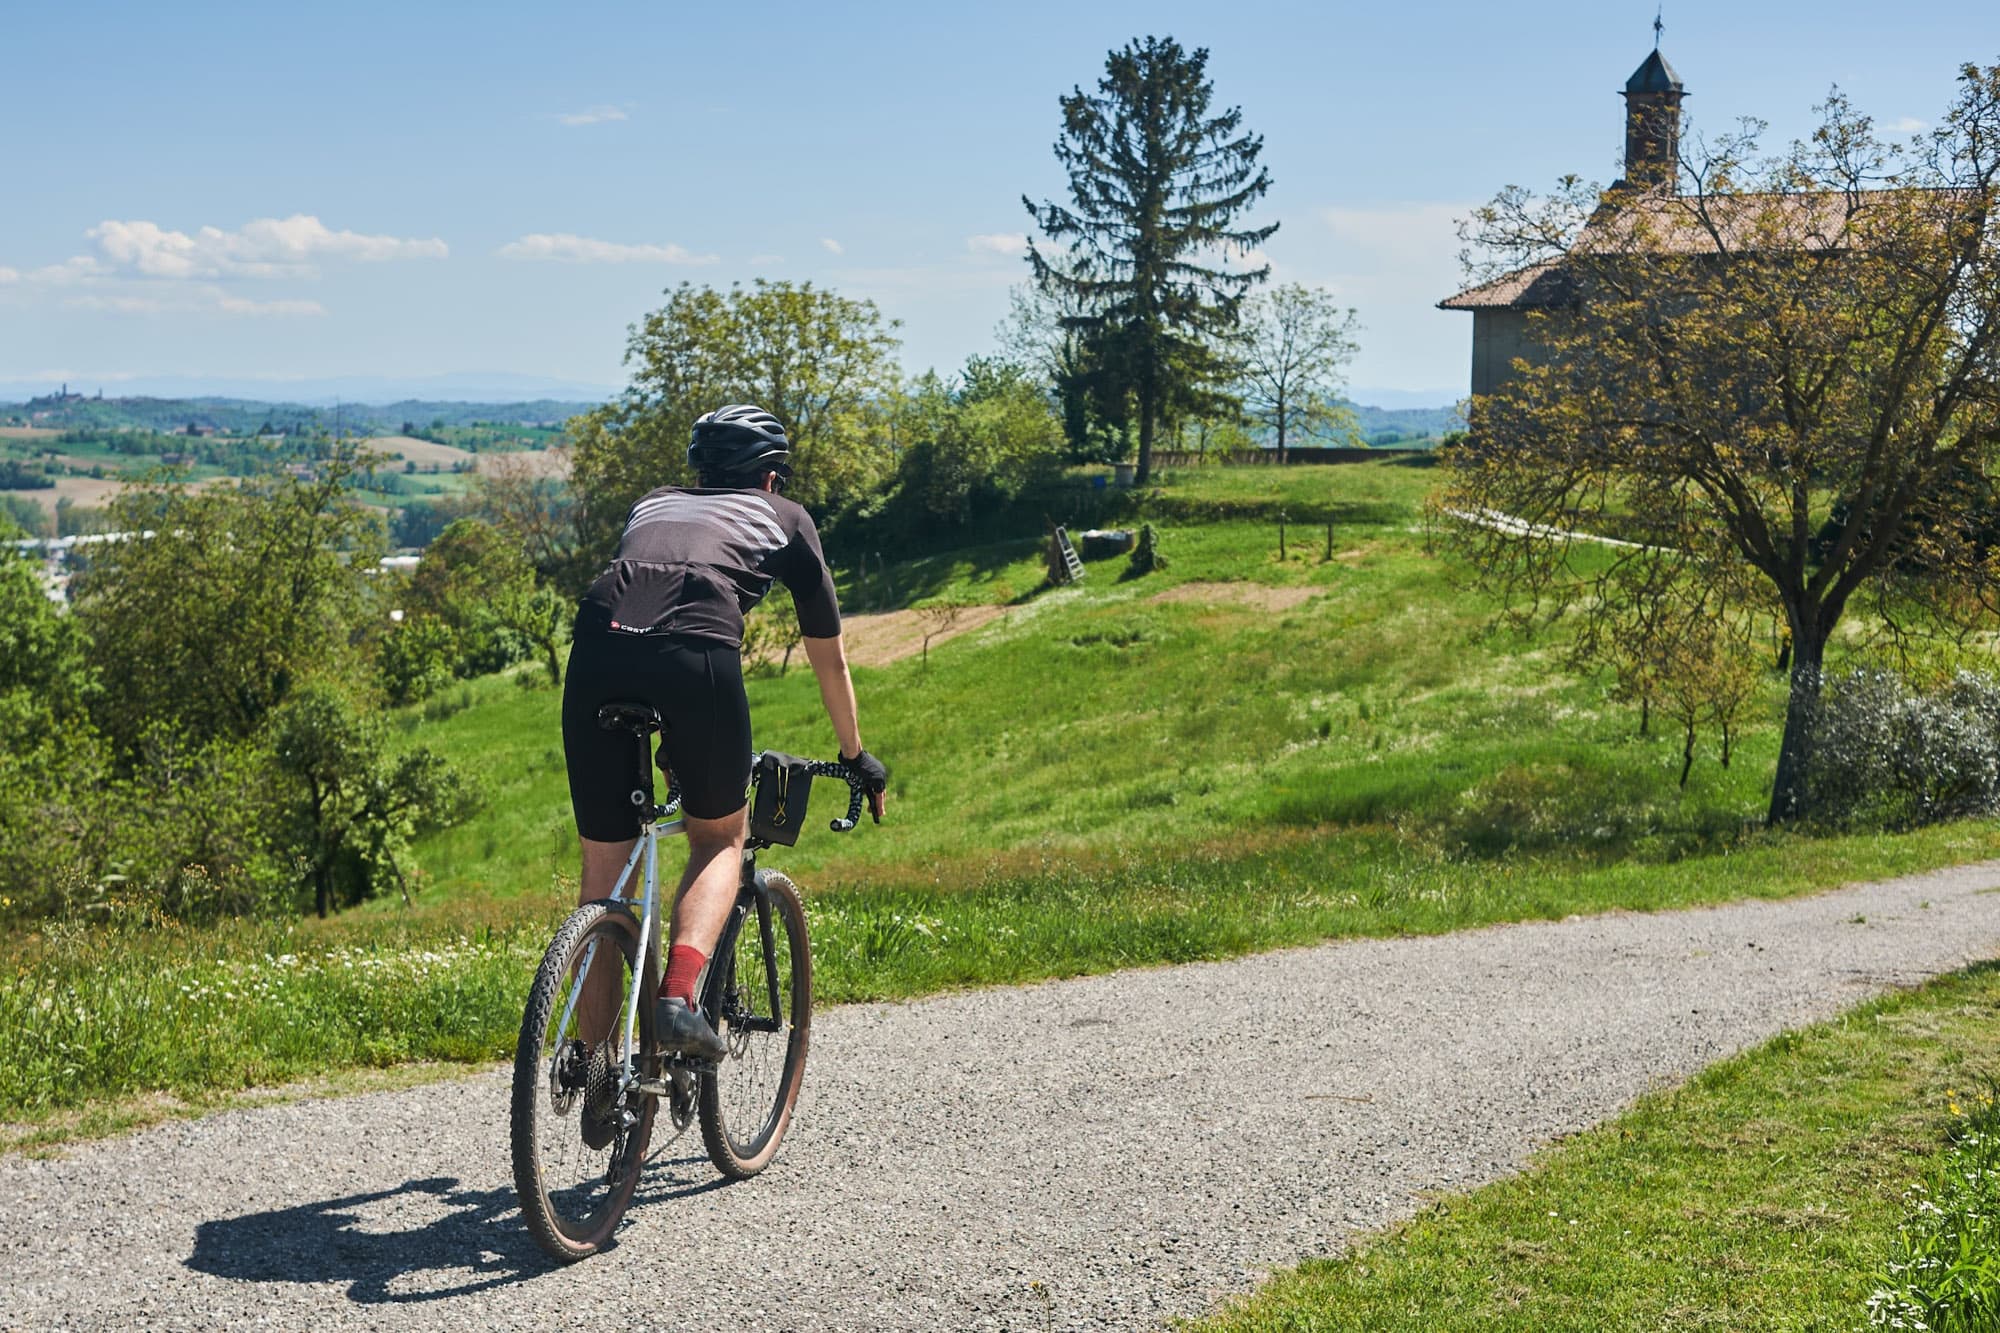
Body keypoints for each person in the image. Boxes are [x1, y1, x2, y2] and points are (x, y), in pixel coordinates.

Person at [561, 403, 887, 1063]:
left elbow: (640, 617)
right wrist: (855, 755)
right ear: (771, 477)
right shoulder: (786, 517)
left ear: (702, 472)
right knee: (719, 839)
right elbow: (832, 656)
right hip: (697, 647)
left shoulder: (651, 504)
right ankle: (678, 999)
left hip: (596, 644)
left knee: (603, 878)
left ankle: (592, 1070)